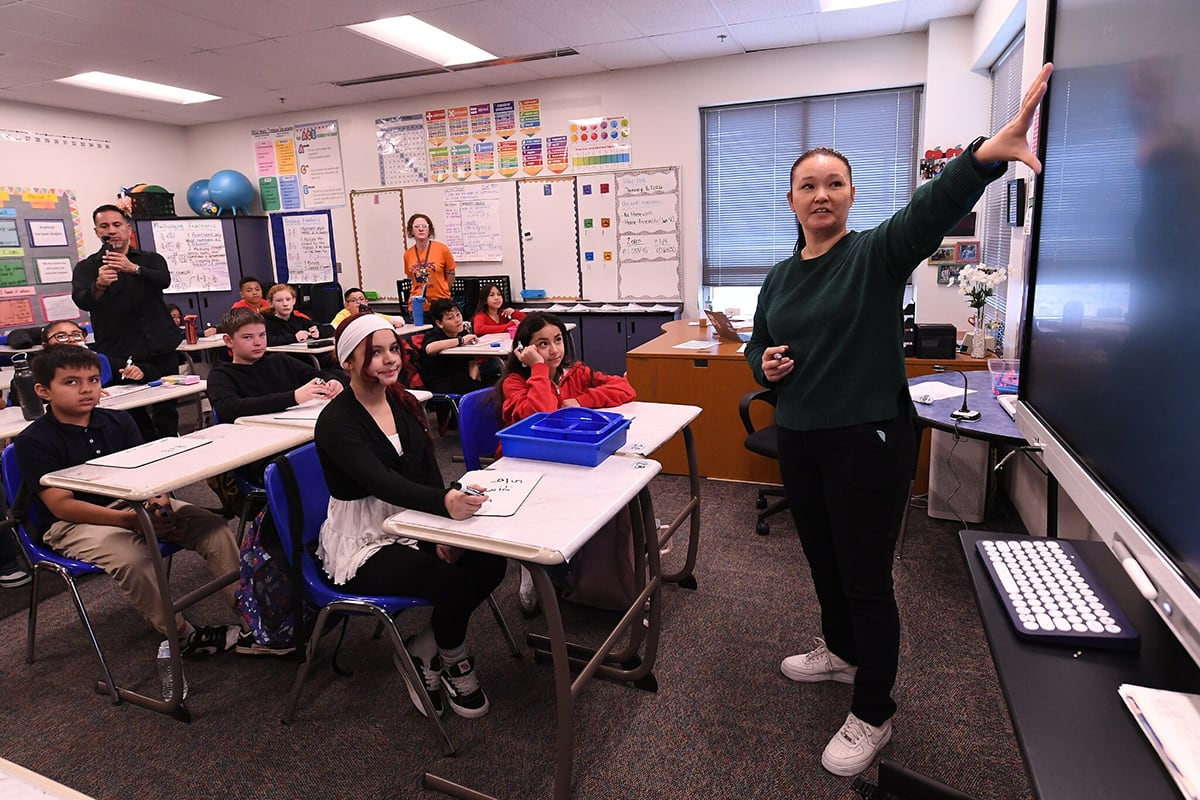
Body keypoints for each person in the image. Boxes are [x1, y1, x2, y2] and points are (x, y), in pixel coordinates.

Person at [743, 63, 1054, 777]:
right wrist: (766, 367)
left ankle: (874, 711)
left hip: (868, 442)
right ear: (789, 200)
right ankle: (840, 653)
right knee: (822, 562)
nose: (821, 194)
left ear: (851, 195)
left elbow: (932, 208)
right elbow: (759, 343)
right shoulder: (779, 276)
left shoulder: (875, 254)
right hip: (802, 436)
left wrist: (984, 155)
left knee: (865, 578)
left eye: (834, 183)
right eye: (808, 185)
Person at [315, 313, 505, 719]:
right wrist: (443, 505)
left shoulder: (399, 400)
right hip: (366, 538)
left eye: (393, 350)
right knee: (452, 584)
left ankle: (425, 646)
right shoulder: (336, 421)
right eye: (376, 353)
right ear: (348, 361)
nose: (390, 360)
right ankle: (452, 656)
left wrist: (441, 528)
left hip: (410, 517)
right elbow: (379, 481)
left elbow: (424, 468)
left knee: (491, 561)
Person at [13, 345, 244, 659]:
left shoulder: (118, 422)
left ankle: (251, 616)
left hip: (132, 503)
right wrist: (134, 521)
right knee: (133, 558)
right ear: (43, 391)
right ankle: (183, 635)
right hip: (72, 523)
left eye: (93, 380)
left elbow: (150, 472)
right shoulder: (33, 441)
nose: (85, 389)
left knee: (213, 528)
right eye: (70, 382)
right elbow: (61, 505)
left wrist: (158, 504)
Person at [498, 311, 637, 614]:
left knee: (618, 490)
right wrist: (537, 370)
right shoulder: (514, 383)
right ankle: (531, 564)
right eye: (543, 344)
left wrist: (581, 401)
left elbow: (625, 389)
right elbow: (542, 413)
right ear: (524, 349)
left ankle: (589, 569)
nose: (554, 350)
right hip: (528, 469)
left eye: (558, 341)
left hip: (571, 462)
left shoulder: (576, 372)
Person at [71, 204, 183, 440]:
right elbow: (82, 300)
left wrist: (134, 269)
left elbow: (164, 280)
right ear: (96, 232)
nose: (111, 231)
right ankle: (143, 448)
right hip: (120, 351)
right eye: (104, 226)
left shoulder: (150, 259)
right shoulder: (88, 267)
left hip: (161, 346)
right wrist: (99, 284)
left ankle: (171, 444)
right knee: (131, 410)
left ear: (128, 229)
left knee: (167, 408)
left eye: (117, 224)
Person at [207, 308, 344, 426]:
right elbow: (230, 408)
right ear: (229, 341)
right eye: (248, 337)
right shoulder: (220, 375)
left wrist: (333, 381)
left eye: (262, 335)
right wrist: (294, 397)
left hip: (294, 428)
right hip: (252, 438)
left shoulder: (280, 361)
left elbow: (319, 375)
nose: (258, 342)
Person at [419, 298, 499, 394]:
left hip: (463, 380)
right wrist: (461, 341)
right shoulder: (434, 335)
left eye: (458, 315)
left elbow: (472, 364)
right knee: (490, 391)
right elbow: (430, 349)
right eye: (450, 318)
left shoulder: (463, 333)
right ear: (439, 323)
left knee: (493, 383)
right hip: (441, 382)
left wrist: (474, 383)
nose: (457, 320)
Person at [403, 213, 456, 315]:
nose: (421, 229)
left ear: (430, 230)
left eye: (424, 226)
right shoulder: (408, 254)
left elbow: (451, 273)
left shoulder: (442, 249)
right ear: (411, 231)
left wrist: (444, 289)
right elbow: (411, 277)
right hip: (418, 304)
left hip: (441, 302)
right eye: (416, 226)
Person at [263, 283, 334, 347]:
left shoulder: (300, 320)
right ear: (271, 303)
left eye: (288, 299)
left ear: (294, 301)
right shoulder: (266, 323)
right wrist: (294, 338)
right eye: (279, 300)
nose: (285, 304)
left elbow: (330, 329)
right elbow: (266, 341)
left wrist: (319, 332)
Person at [329, 287, 406, 329]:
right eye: (353, 300)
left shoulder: (369, 313)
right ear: (347, 305)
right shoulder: (344, 314)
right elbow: (334, 328)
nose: (359, 302)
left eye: (361, 299)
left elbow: (399, 319)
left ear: (366, 302)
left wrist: (393, 323)